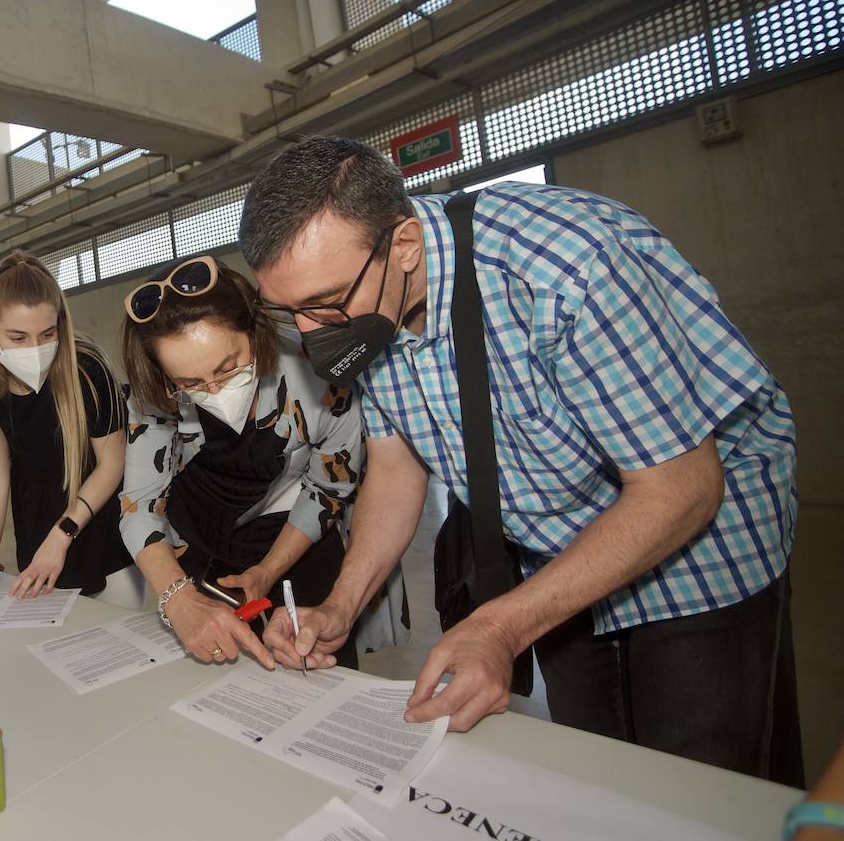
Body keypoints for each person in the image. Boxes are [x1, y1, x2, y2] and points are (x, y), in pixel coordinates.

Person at [240, 136, 801, 784]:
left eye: (326, 301)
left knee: (701, 787)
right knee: (601, 776)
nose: (312, 331)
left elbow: (680, 488)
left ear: (404, 247)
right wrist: (341, 606)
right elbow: (396, 470)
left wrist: (501, 627)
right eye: (290, 311)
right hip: (558, 563)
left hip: (698, 559)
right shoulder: (369, 305)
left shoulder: (567, 268)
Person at [119, 255, 366, 667]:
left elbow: (327, 488)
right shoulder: (155, 392)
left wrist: (268, 571)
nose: (214, 391)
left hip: (297, 533)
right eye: (190, 383)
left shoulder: (316, 371)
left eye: (229, 366)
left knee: (315, 669)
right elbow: (139, 505)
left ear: (253, 330)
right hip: (200, 536)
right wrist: (178, 599)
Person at [0, 252, 131, 600]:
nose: (35, 349)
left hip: (101, 536)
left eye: (47, 334)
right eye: (18, 338)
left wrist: (61, 535)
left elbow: (112, 464)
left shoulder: (87, 371)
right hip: (36, 536)